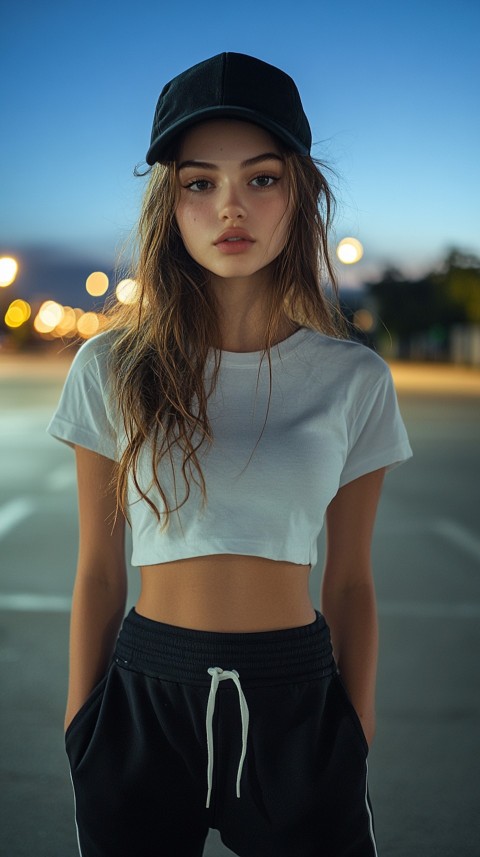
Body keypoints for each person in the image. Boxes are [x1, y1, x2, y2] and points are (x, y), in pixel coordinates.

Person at [47, 52, 412, 857]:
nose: (230, 208)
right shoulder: (110, 367)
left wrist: (355, 728)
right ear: (169, 202)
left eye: (262, 178)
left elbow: (350, 576)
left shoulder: (353, 379)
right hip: (143, 700)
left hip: (301, 704)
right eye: (200, 182)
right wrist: (84, 727)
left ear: (301, 193)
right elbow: (99, 571)